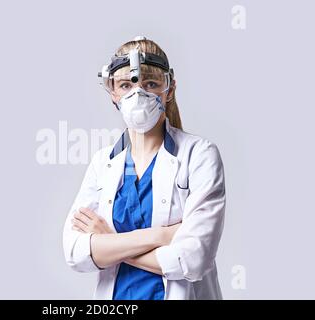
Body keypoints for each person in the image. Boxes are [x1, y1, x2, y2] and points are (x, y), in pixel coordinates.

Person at [62, 36, 226, 300]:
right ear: (112, 93)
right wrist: (163, 236)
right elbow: (75, 252)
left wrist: (110, 241)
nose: (138, 94)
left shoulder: (199, 155)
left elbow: (193, 259)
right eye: (126, 85)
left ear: (169, 89)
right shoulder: (103, 163)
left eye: (150, 84)